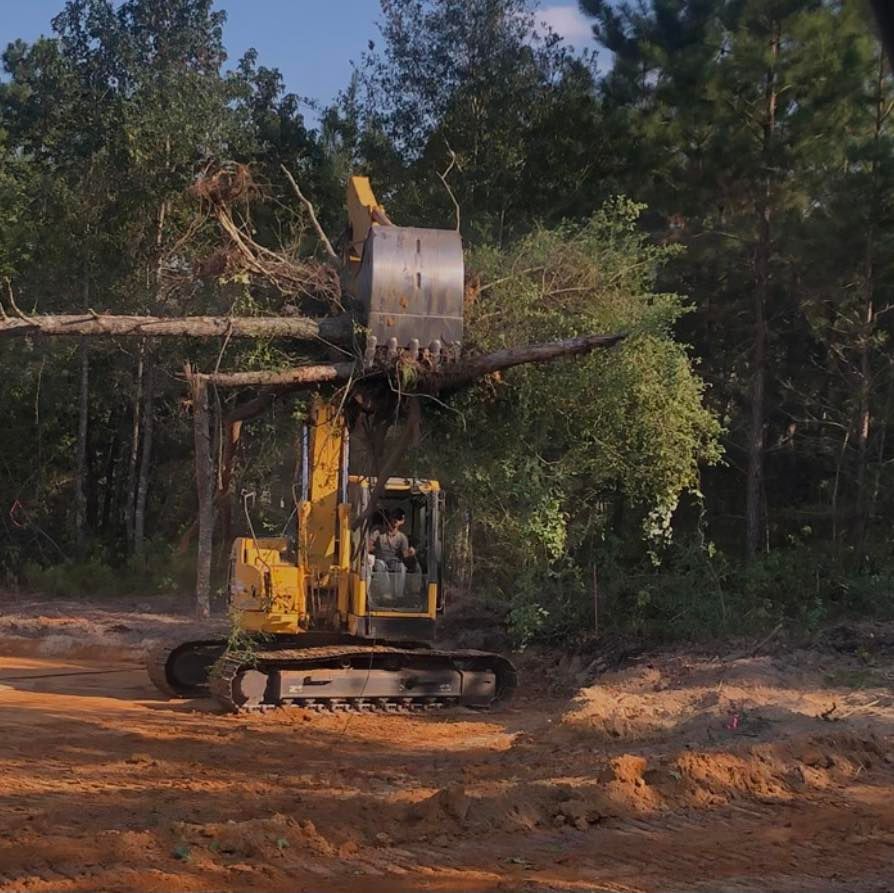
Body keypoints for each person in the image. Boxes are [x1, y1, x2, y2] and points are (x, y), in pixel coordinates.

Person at [369, 508, 416, 601]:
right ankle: (386, 594)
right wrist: (370, 551)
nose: (395, 520)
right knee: (381, 566)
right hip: (379, 560)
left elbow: (405, 555)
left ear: (402, 521)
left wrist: (411, 553)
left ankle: (399, 596)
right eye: (394, 517)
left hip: (394, 561)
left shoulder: (402, 538)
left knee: (402, 567)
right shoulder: (378, 531)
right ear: (389, 517)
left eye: (399, 518)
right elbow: (368, 545)